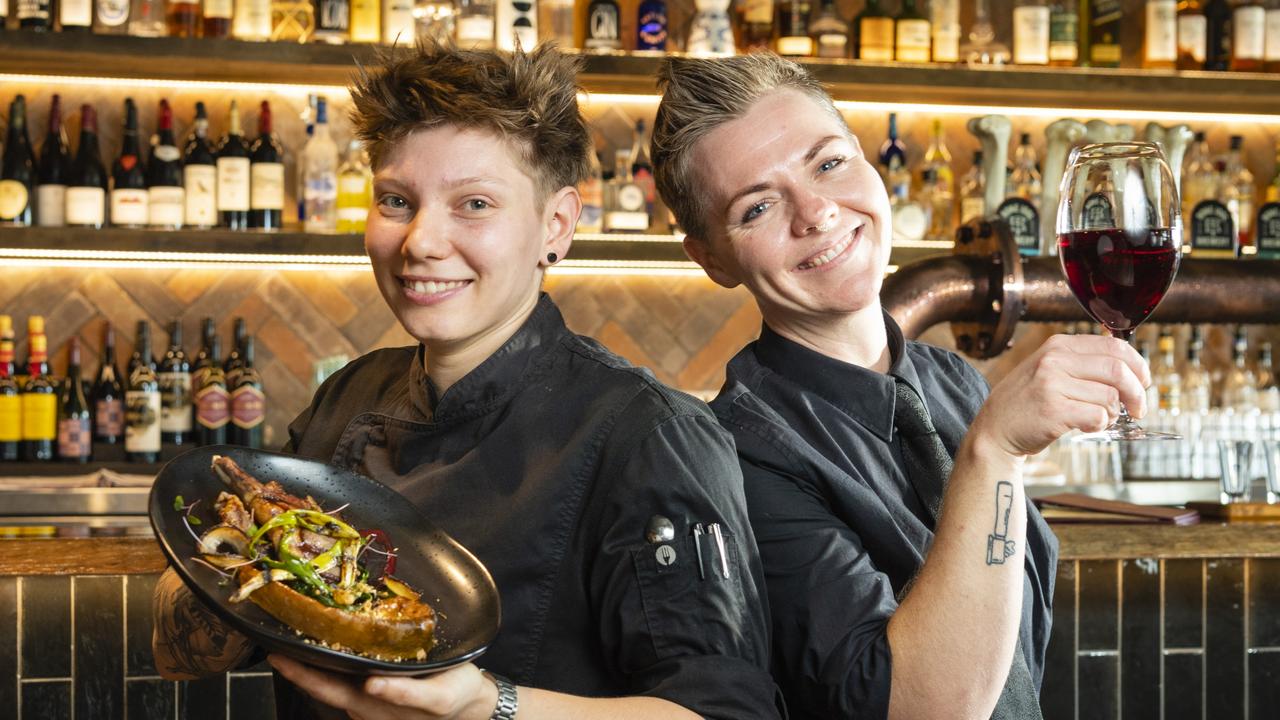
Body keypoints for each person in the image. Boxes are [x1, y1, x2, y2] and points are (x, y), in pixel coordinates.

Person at [153, 43, 784, 720]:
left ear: (557, 225)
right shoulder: (347, 398)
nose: (421, 240)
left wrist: (494, 707)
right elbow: (178, 653)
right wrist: (241, 548)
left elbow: (727, 711)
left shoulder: (650, 436)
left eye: (474, 203)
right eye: (396, 200)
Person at [651, 53, 1150, 720]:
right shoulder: (737, 460)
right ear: (711, 258)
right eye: (759, 206)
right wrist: (994, 453)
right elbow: (919, 705)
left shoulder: (951, 384)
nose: (818, 214)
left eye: (828, 164)